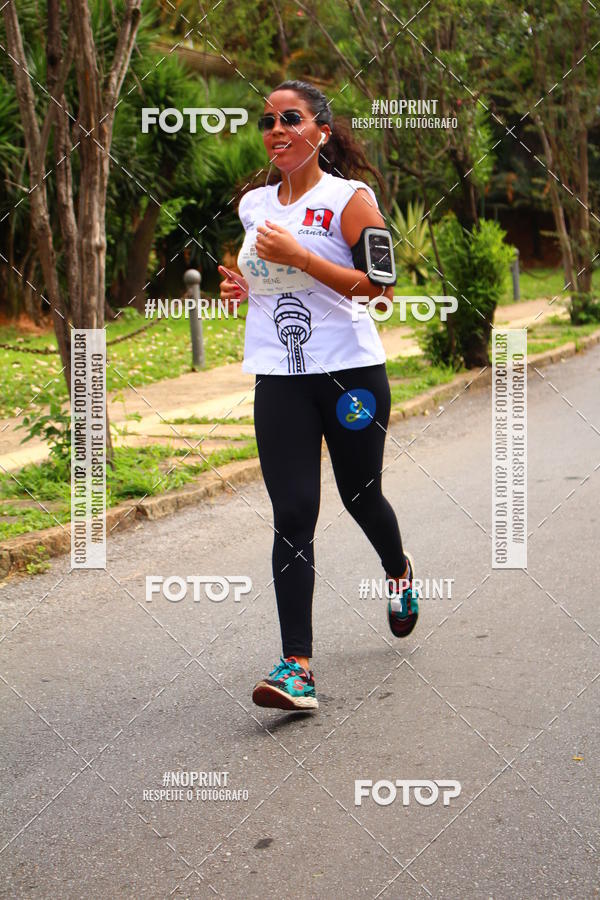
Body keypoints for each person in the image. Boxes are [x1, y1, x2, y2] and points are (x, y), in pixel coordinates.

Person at [218, 80, 418, 712]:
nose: (276, 130)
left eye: (291, 119)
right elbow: (271, 279)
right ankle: (296, 666)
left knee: (361, 496)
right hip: (278, 378)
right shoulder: (253, 206)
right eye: (267, 121)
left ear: (321, 132)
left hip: (350, 377)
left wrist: (304, 257)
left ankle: (398, 570)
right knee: (294, 512)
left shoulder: (350, 200)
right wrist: (248, 289)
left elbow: (380, 289)